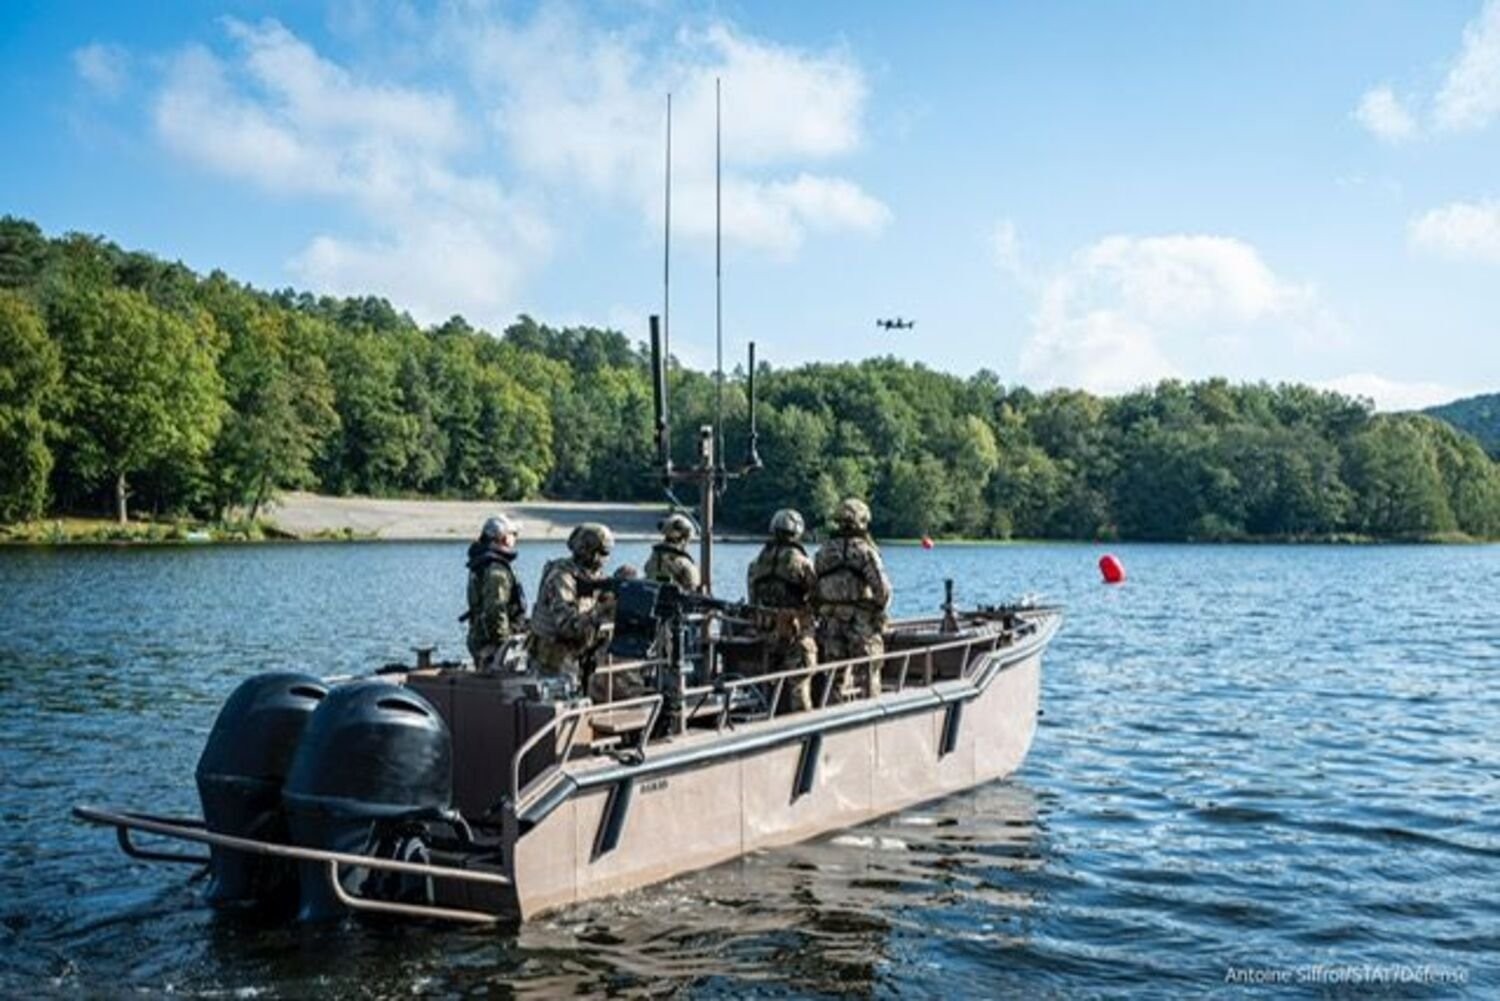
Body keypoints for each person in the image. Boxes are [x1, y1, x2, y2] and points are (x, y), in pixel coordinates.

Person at [813, 498, 891, 698]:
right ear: (863, 521)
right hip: (860, 623)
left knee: (833, 677)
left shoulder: (823, 552)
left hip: (830, 623)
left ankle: (831, 717)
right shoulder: (865, 551)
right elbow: (882, 591)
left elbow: (814, 588)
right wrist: (878, 611)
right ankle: (871, 717)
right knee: (868, 673)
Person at [527, 523, 616, 690]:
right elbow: (567, 626)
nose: (605, 559)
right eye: (602, 553)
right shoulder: (561, 577)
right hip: (554, 664)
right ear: (587, 551)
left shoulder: (590, 576)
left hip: (579, 659)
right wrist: (603, 610)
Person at [746, 509, 818, 711]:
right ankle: (804, 730)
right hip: (795, 633)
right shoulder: (802, 563)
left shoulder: (757, 563)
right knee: (799, 684)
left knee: (768, 683)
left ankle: (768, 719)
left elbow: (753, 599)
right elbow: (817, 595)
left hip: (766, 632)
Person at [464, 515, 526, 671]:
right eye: (513, 534)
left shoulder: (483, 563)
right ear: (503, 537)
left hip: (481, 637)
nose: (515, 539)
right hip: (490, 645)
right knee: (496, 685)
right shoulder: (496, 570)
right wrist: (504, 645)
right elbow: (495, 610)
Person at [643, 512, 700, 592]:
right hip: (676, 603)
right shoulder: (684, 562)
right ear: (684, 539)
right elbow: (693, 586)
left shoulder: (653, 557)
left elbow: (647, 571)